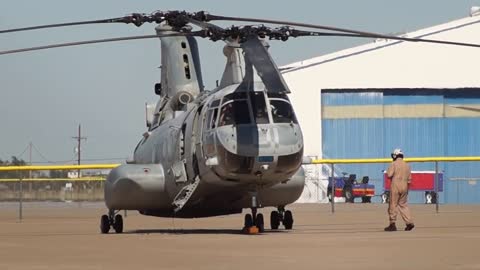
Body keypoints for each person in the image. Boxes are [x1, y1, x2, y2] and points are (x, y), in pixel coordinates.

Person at [384, 149, 415, 232]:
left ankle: (392, 224)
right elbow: (409, 180)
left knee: (393, 204)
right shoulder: (407, 166)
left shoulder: (393, 164)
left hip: (395, 185)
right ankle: (409, 223)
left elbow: (389, 174)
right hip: (405, 186)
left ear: (395, 155)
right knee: (403, 205)